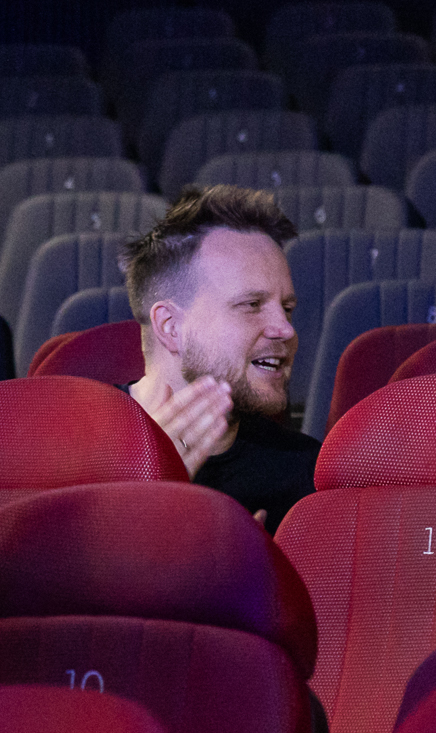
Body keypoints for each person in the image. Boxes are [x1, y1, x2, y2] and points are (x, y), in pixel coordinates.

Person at [123, 185, 320, 530]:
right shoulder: (77, 451)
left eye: (287, 308)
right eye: (252, 305)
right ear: (170, 327)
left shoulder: (307, 472)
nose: (285, 329)